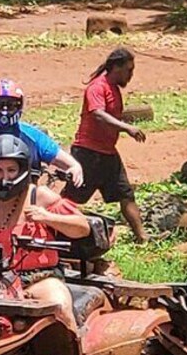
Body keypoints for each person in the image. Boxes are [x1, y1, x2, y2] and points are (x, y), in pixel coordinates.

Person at [0, 135, 91, 331]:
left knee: (60, 307)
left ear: (22, 169)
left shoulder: (39, 196)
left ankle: (76, 351)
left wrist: (48, 217)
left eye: (11, 169)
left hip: (39, 279)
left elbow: (82, 227)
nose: (5, 176)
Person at [0, 78, 83, 210]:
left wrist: (74, 166)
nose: (5, 110)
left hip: (21, 199)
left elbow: (56, 154)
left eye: (11, 105)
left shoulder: (32, 135)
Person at [61, 47, 149, 243]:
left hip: (107, 153)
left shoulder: (114, 89)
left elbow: (110, 115)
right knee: (72, 198)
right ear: (116, 67)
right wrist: (127, 128)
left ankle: (143, 237)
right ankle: (54, 228)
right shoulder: (97, 87)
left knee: (125, 193)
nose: (131, 75)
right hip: (88, 153)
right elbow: (97, 114)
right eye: (129, 70)